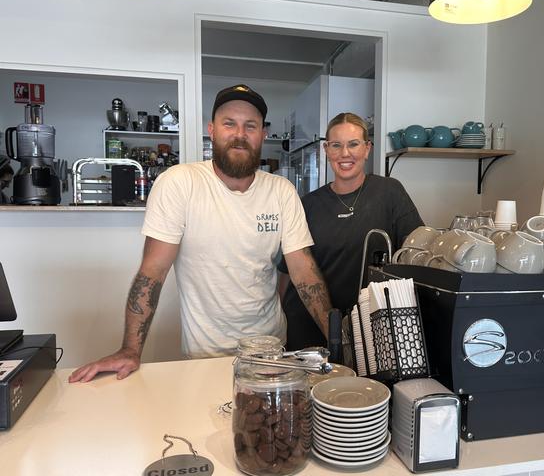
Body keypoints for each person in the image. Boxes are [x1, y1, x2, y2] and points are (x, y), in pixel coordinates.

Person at [69, 84, 332, 382]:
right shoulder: (180, 183)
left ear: (263, 133)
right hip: (204, 357)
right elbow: (153, 271)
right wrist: (130, 349)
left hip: (270, 354)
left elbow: (303, 272)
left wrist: (339, 341)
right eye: (229, 123)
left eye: (250, 126)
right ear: (212, 129)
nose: (239, 134)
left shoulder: (282, 191)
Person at [279, 112, 424, 350]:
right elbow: (288, 273)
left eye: (353, 144)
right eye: (336, 145)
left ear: (367, 148)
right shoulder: (307, 204)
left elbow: (416, 249)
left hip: (371, 325)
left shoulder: (389, 192)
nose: (345, 153)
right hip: (310, 331)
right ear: (326, 150)